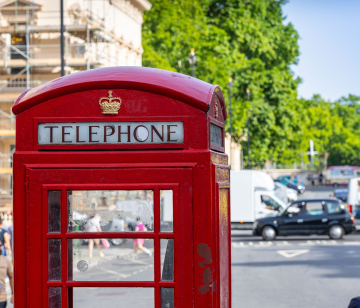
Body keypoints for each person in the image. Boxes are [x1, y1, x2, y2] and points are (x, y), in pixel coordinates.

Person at [0, 241, 13, 307]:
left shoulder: (5, 260)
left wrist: (13, 294)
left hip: (2, 298)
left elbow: (11, 277)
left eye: (0, 246)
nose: (0, 248)